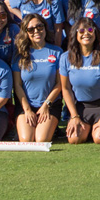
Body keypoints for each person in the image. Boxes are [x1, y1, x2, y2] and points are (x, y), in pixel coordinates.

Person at [59, 19, 100, 144]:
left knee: (99, 138)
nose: (86, 33)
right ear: (75, 34)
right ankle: (89, 128)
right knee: (75, 139)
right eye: (81, 30)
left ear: (96, 34)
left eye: (90, 30)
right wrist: (74, 116)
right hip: (81, 106)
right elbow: (65, 89)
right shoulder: (66, 57)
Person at [12, 14, 63, 143]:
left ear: (45, 28)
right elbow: (17, 85)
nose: (36, 31)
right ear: (26, 32)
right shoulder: (20, 54)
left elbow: (60, 83)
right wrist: (27, 109)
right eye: (31, 29)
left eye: (39, 27)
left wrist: (46, 105)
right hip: (26, 106)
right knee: (26, 140)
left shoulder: (57, 52)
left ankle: (53, 128)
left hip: (49, 105)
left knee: (41, 140)